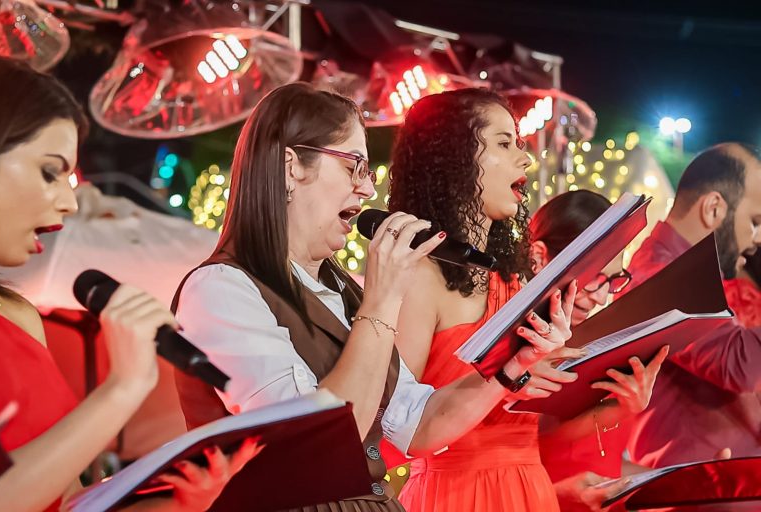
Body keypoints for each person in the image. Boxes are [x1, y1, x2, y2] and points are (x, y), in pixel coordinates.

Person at [172, 82, 570, 511]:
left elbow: (418, 424)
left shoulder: (341, 293)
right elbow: (315, 446)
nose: (366, 189)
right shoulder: (219, 289)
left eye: (367, 172)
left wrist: (511, 368)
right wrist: (381, 301)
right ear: (291, 167)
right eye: (354, 166)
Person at [0, 56, 259, 512]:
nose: (69, 202)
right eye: (49, 172)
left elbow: (65, 502)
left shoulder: (19, 318)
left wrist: (178, 500)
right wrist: (124, 387)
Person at [387, 91, 665, 512]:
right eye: (504, 143)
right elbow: (392, 431)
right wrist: (507, 375)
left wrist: (617, 407)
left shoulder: (513, 284)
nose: (526, 159)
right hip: (456, 496)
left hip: (530, 490)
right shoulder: (418, 275)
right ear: (454, 158)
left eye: (519, 144)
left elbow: (524, 425)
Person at [623, 143, 761, 469]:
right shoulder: (661, 276)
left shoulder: (691, 272)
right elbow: (740, 364)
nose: (756, 239)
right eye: (754, 221)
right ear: (713, 208)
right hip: (696, 488)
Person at [529, 190, 666, 511]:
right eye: (594, 277)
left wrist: (689, 481)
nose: (602, 297)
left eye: (613, 279)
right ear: (539, 258)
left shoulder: (597, 345)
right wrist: (558, 496)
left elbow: (604, 469)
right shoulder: (510, 350)